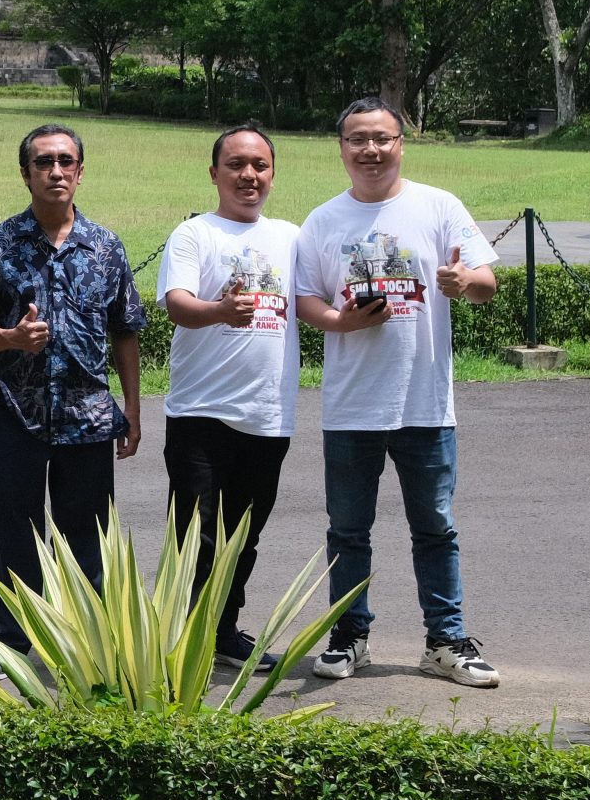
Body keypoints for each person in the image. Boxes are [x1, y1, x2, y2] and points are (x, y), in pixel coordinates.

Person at [294, 97, 502, 688]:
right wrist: (340, 322)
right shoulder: (323, 220)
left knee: (435, 527)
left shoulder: (439, 206)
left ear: (400, 144)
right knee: (347, 530)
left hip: (425, 402)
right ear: (342, 149)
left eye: (382, 138)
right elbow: (305, 298)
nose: (371, 150)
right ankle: (349, 635)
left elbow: (486, 282)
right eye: (358, 139)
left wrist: (464, 281)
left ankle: (445, 640)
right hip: (352, 405)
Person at [0, 122, 146, 662]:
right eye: (43, 162)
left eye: (66, 161)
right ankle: (15, 640)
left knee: (88, 537)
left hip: (88, 415)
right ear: (26, 174)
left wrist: (132, 409)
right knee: (17, 532)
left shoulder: (105, 246)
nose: (55, 171)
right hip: (18, 413)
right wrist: (12, 338)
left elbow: (126, 331)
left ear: (80, 172)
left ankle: (86, 644)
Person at [158, 123, 303, 669]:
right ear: (214, 173)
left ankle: (222, 630)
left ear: (273, 175)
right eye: (236, 165)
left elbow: (320, 296)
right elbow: (177, 305)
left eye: (260, 166)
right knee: (193, 535)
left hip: (268, 413)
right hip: (201, 413)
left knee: (244, 534)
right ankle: (176, 635)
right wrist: (219, 310)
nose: (249, 175)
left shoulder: (291, 238)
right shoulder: (195, 234)